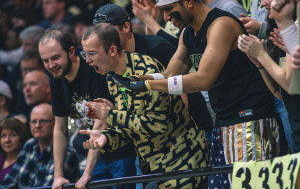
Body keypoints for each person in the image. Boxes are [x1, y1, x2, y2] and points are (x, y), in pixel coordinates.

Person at [112, 0, 279, 188]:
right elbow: (168, 74)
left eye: (168, 10)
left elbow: (204, 80)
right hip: (224, 122)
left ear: (189, 1)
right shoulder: (187, 34)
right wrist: (138, 79)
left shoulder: (221, 24)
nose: (166, 18)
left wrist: (148, 85)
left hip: (251, 119)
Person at [80, 22, 208, 189]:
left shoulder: (146, 69)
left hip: (182, 161)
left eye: (92, 54)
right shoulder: (111, 77)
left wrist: (110, 115)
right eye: (85, 54)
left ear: (112, 50)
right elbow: (132, 125)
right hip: (152, 168)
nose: (88, 61)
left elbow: (157, 124)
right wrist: (106, 137)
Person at [38, 29, 136, 189]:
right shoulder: (56, 80)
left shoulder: (93, 69)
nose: (51, 65)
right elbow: (60, 129)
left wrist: (86, 173)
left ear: (71, 51)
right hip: (98, 154)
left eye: (55, 58)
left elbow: (102, 120)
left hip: (123, 150)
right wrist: (58, 176)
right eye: (45, 60)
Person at [238, 0, 300, 152]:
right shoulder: (277, 34)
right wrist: (260, 63)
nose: (263, 3)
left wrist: (261, 54)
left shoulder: (293, 31)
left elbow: (291, 85)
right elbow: (280, 92)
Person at [1, 103, 79, 188]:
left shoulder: (66, 152)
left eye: (43, 121)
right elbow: (10, 181)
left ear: (56, 123)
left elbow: (47, 187)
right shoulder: (30, 144)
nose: (37, 125)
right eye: (34, 121)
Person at [93, 3, 176, 68]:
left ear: (126, 27)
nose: (103, 38)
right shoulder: (106, 58)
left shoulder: (157, 49)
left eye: (107, 31)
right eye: (98, 32)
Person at [0, 117, 31, 183]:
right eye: (3, 136)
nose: (7, 140)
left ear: (22, 136)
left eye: (13, 135)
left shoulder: (26, 161)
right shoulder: (1, 158)